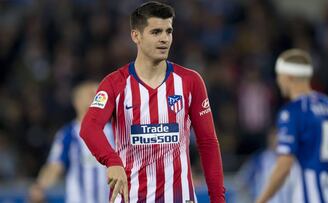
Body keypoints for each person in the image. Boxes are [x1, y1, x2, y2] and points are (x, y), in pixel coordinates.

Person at [79, 1, 225, 203]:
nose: (164, 39)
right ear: (135, 36)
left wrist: (218, 199)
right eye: (156, 32)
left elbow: (208, 142)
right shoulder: (115, 84)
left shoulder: (190, 82)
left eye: (168, 31)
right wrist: (112, 161)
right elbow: (89, 128)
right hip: (133, 198)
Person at [256, 49, 328, 203]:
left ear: (289, 77)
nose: (278, 81)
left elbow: (284, 165)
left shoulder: (292, 112)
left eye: (279, 76)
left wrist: (261, 200)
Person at [29, 81, 114, 203]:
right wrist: (40, 186)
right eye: (91, 94)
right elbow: (54, 166)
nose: (98, 97)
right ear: (77, 101)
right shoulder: (68, 134)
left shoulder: (115, 132)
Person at [235, 127, 301, 203]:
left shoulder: (294, 161)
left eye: (280, 135)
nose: (277, 139)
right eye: (274, 135)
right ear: (269, 137)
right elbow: (241, 182)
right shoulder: (258, 160)